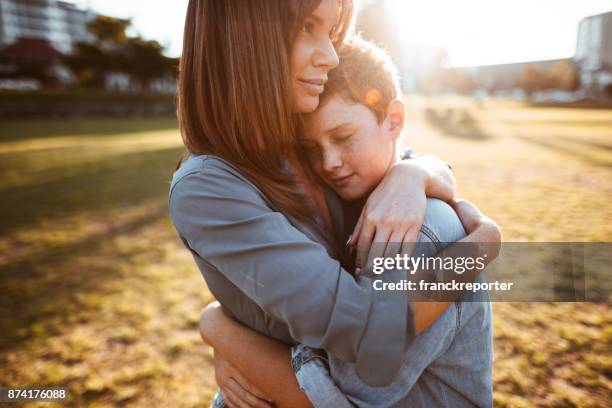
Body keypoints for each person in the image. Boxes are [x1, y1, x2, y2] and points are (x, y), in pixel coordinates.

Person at [168, 1, 501, 406]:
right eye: (308, 27)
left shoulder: (307, 152)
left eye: (330, 32)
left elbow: (407, 159)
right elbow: (363, 327)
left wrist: (221, 330)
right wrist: (483, 242)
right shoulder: (211, 186)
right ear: (245, 36)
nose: (328, 54)